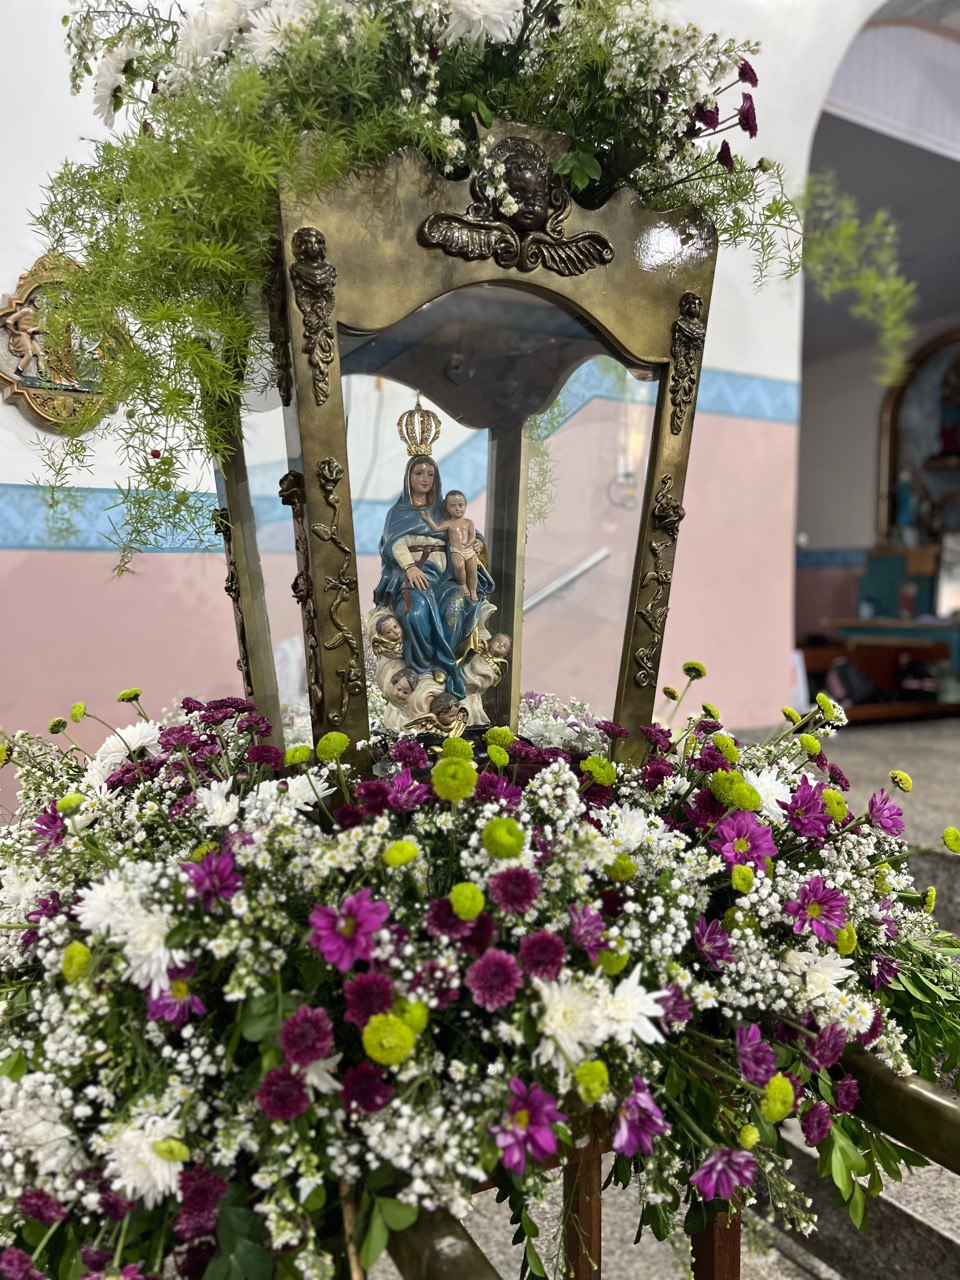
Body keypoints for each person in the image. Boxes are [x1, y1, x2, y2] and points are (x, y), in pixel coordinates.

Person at [373, 454, 493, 698]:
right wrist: (409, 566)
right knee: (415, 613)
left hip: (446, 577)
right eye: (418, 473)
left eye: (430, 474)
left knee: (456, 604)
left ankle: (443, 664)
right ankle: (422, 668)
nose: (425, 479)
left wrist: (478, 544)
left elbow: (468, 531)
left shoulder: (443, 509)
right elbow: (393, 544)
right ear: (408, 477)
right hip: (415, 575)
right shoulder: (398, 513)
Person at [419, 489, 480, 600]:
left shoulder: (469, 522)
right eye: (453, 506)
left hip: (469, 550)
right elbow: (436, 529)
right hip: (456, 550)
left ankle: (473, 590)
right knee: (459, 566)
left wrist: (470, 542)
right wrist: (428, 519)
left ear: (465, 505)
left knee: (472, 569)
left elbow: (472, 535)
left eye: (460, 505)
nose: (457, 509)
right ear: (447, 508)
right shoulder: (449, 523)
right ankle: (462, 584)